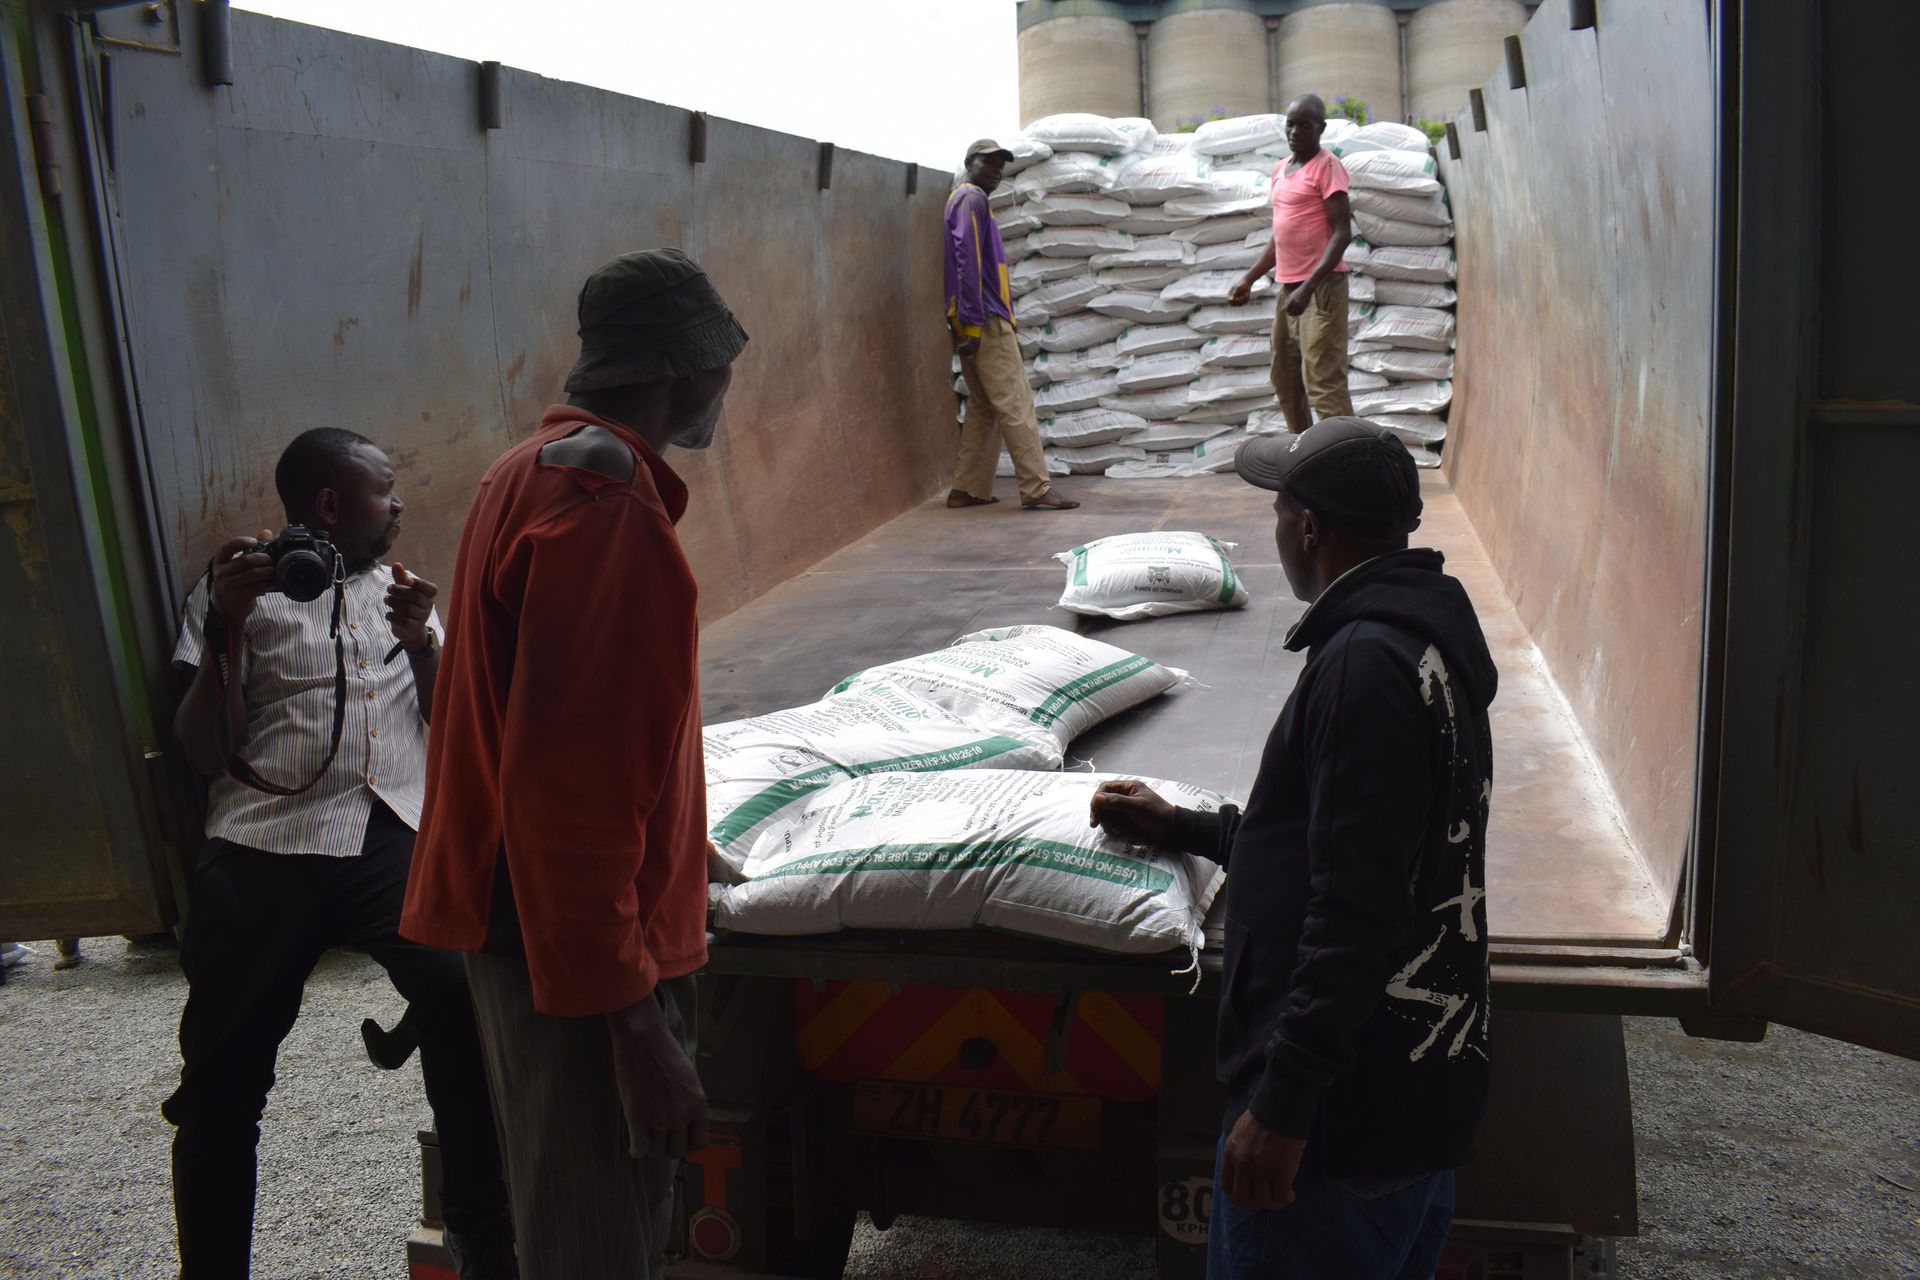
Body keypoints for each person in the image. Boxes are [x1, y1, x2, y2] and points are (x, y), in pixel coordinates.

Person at [401, 249, 744, 1280]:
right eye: (722, 362)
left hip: (526, 925)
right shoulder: (604, 510)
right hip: (573, 960)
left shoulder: (528, 470)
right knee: (595, 1242)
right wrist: (633, 1025)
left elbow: (549, 725)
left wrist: (686, 845)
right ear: (683, 368)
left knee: (577, 1222)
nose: (725, 382)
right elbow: (572, 793)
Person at [1090, 418, 1496, 1279]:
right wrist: (1190, 827)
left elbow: (1355, 912)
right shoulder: (1428, 639)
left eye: (1279, 511)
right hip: (1407, 1111)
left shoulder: (1362, 666)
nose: (1275, 530)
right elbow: (1358, 849)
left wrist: (1282, 1104)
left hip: (1335, 1138)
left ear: (1308, 529)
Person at [164, 428, 513, 1279]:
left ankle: (481, 1239)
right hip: (263, 840)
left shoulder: (401, 590)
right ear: (329, 504)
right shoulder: (238, 589)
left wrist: (423, 645)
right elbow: (202, 752)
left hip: (386, 828)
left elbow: (451, 727)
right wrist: (226, 627)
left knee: (461, 994)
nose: (398, 504)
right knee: (221, 1081)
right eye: (383, 489)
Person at [944, 138, 1080, 511]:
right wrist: (974, 325)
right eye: (988, 163)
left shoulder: (963, 200)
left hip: (976, 319)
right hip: (984, 319)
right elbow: (967, 263)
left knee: (984, 405)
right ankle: (1037, 487)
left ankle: (966, 488)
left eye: (1001, 165)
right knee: (1015, 403)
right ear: (969, 163)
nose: (996, 171)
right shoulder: (971, 198)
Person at [1229, 95, 1356, 435]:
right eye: (1291, 124)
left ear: (1321, 128)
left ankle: (1349, 457)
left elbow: (1342, 234)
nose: (1295, 131)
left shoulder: (1327, 167)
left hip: (1321, 289)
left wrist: (1308, 287)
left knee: (1323, 380)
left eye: (1305, 125)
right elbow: (1279, 239)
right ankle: (1306, 453)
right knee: (1284, 378)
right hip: (1288, 291)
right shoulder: (1280, 170)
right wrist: (1249, 279)